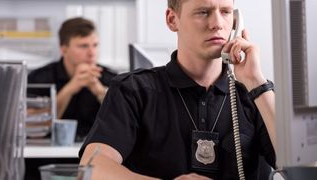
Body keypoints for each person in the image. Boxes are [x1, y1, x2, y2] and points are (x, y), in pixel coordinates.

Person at [79, 0, 276, 179]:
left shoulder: (257, 93)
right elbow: (92, 167)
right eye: (203, 12)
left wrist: (256, 82)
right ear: (172, 20)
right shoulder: (133, 90)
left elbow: (297, 168)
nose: (217, 23)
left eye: (225, 12)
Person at [28, 17, 117, 141]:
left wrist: (100, 92)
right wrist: (69, 89)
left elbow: (122, 125)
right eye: (83, 46)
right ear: (64, 49)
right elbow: (32, 126)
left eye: (95, 45)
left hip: (96, 153)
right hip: (47, 154)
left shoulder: (112, 79)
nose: (92, 53)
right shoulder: (40, 78)